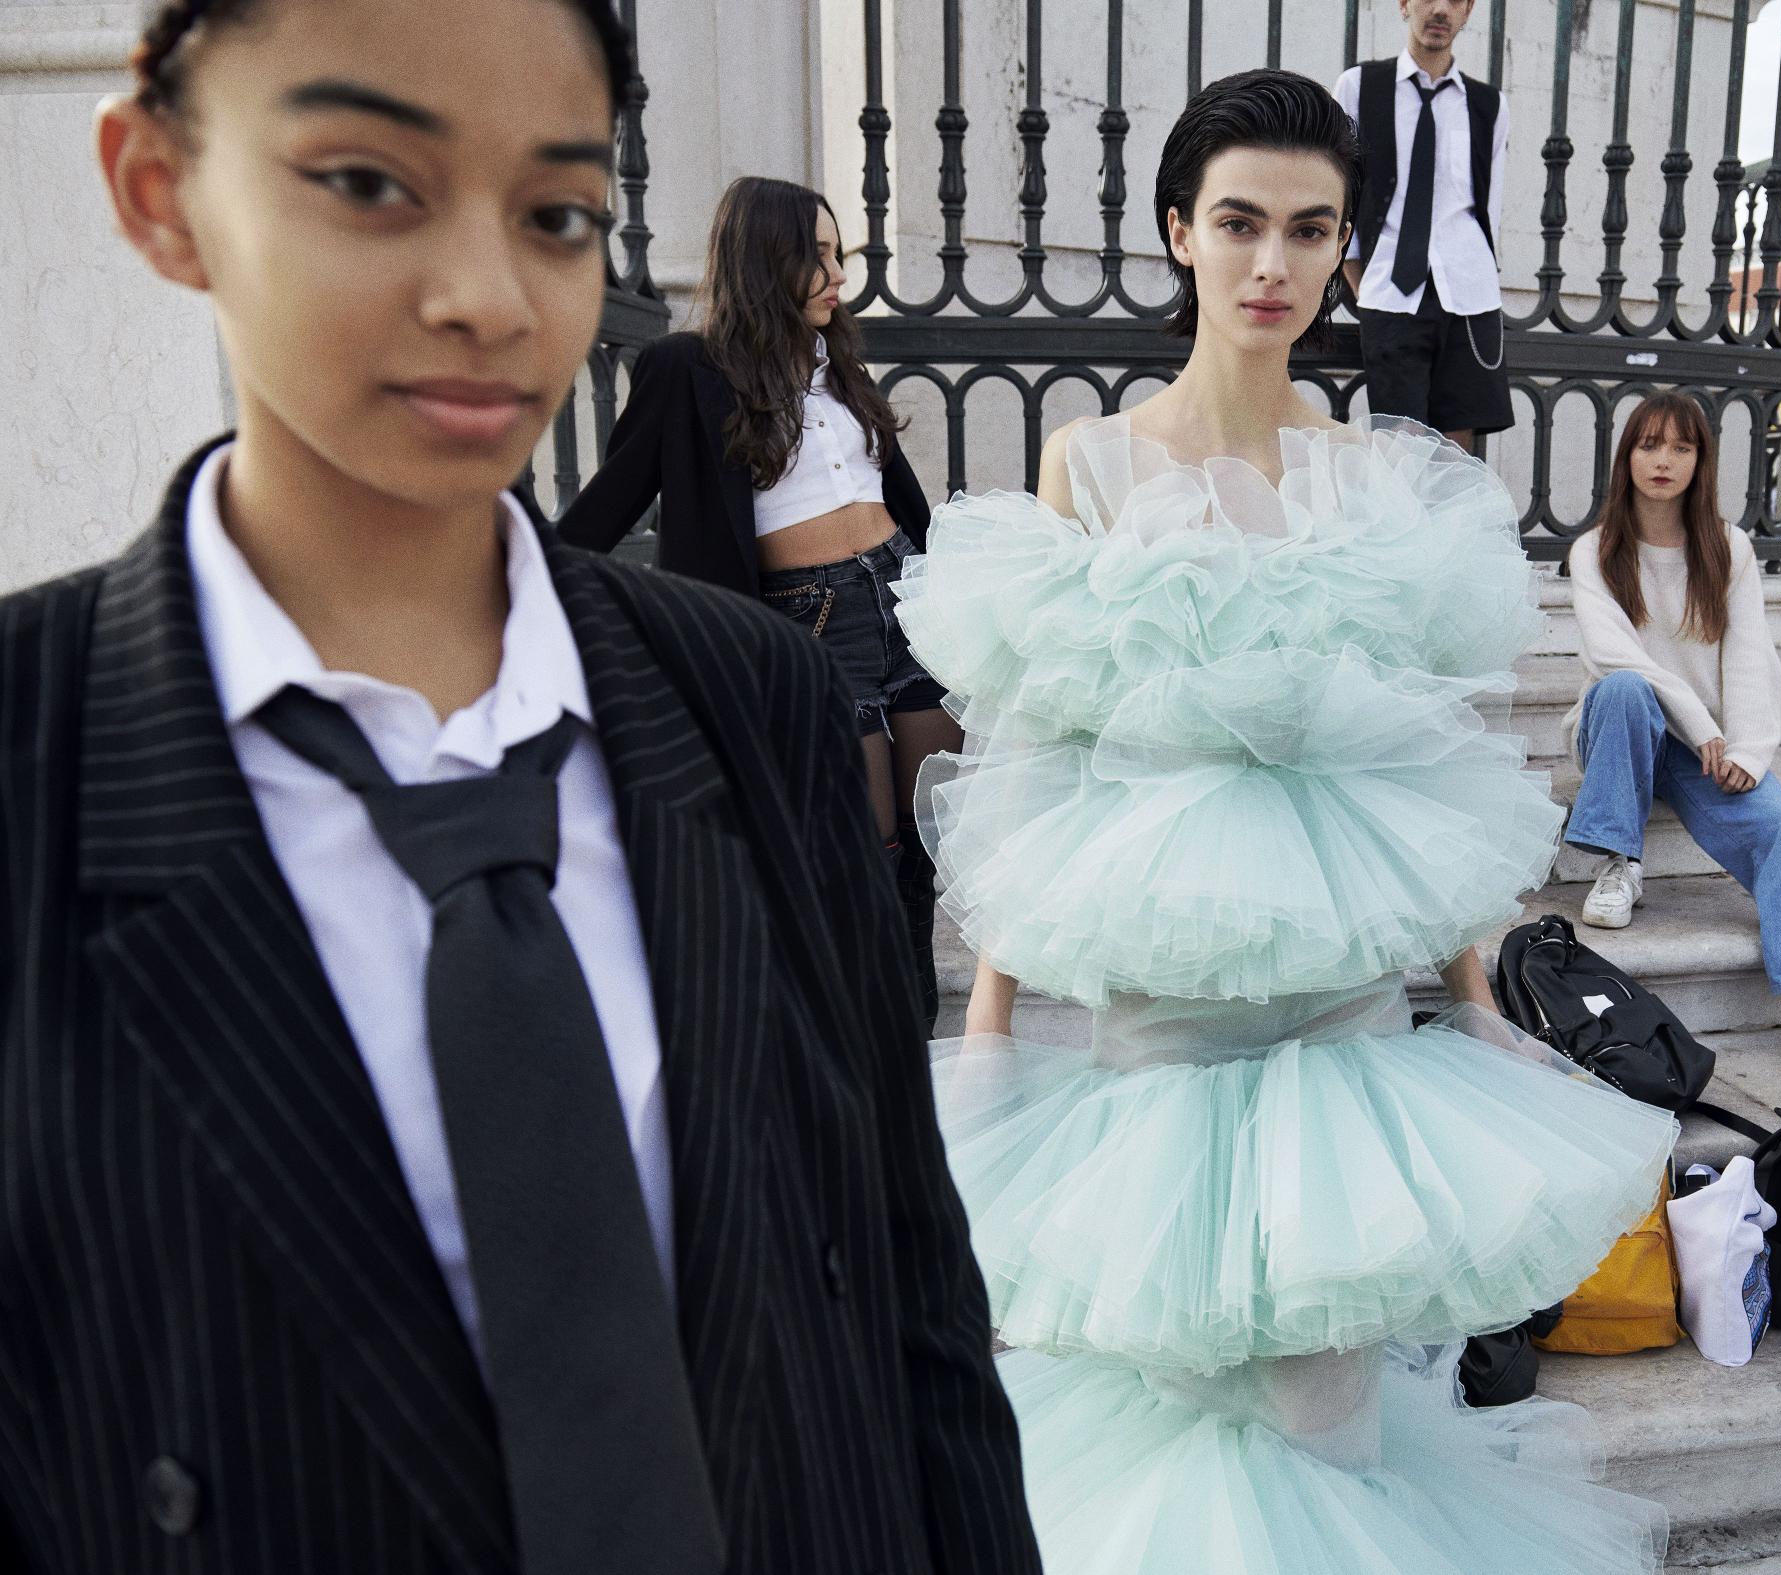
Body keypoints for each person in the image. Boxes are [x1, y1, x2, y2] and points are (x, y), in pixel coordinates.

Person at [0, 2, 1039, 1570]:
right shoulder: (38, 748)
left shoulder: (733, 701)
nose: (489, 297)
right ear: (158, 185)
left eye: (557, 212)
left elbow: (910, 1299)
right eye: (368, 182)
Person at [893, 68, 1677, 1574]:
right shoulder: (1090, 464)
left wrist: (1471, 1001)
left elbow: (1413, 770)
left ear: (1344, 254)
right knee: (1160, 1405)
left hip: (1336, 1045)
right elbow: (1036, 754)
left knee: (1319, 1421)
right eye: (1240, 222)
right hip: (1154, 1031)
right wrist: (988, 1030)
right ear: (1180, 230)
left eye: (1309, 230)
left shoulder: (1377, 478)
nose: (1272, 263)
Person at [561, 176, 956, 1023]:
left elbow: (894, 489)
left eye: (836, 253)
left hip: (903, 601)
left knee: (933, 827)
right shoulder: (688, 370)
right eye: (812, 256)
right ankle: (863, 1027)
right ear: (761, 259)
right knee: (864, 843)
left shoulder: (836, 361)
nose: (834, 273)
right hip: (806, 623)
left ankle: (915, 1026)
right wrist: (513, 577)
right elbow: (610, 501)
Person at [1558, 392, 1781, 1066]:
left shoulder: (1728, 547)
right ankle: (1619, 863)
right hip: (1616, 731)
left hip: (1703, 748)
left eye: (1681, 447)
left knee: (1777, 821)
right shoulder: (1594, 550)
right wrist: (1695, 717)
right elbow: (1613, 655)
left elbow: (1750, 653)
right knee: (1628, 688)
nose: (1663, 460)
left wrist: (1747, 747)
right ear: (1626, 456)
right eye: (1649, 444)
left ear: (1701, 460)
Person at [1331, 0, 1511, 451]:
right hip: (1392, 287)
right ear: (1404, 5)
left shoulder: (1489, 105)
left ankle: (1455, 525)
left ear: (1468, 11)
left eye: (1454, 1)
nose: (1439, 10)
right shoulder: (1359, 87)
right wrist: (1357, 278)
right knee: (1402, 447)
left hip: (1469, 293)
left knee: (1457, 451)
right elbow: (1338, 190)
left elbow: (1490, 204)